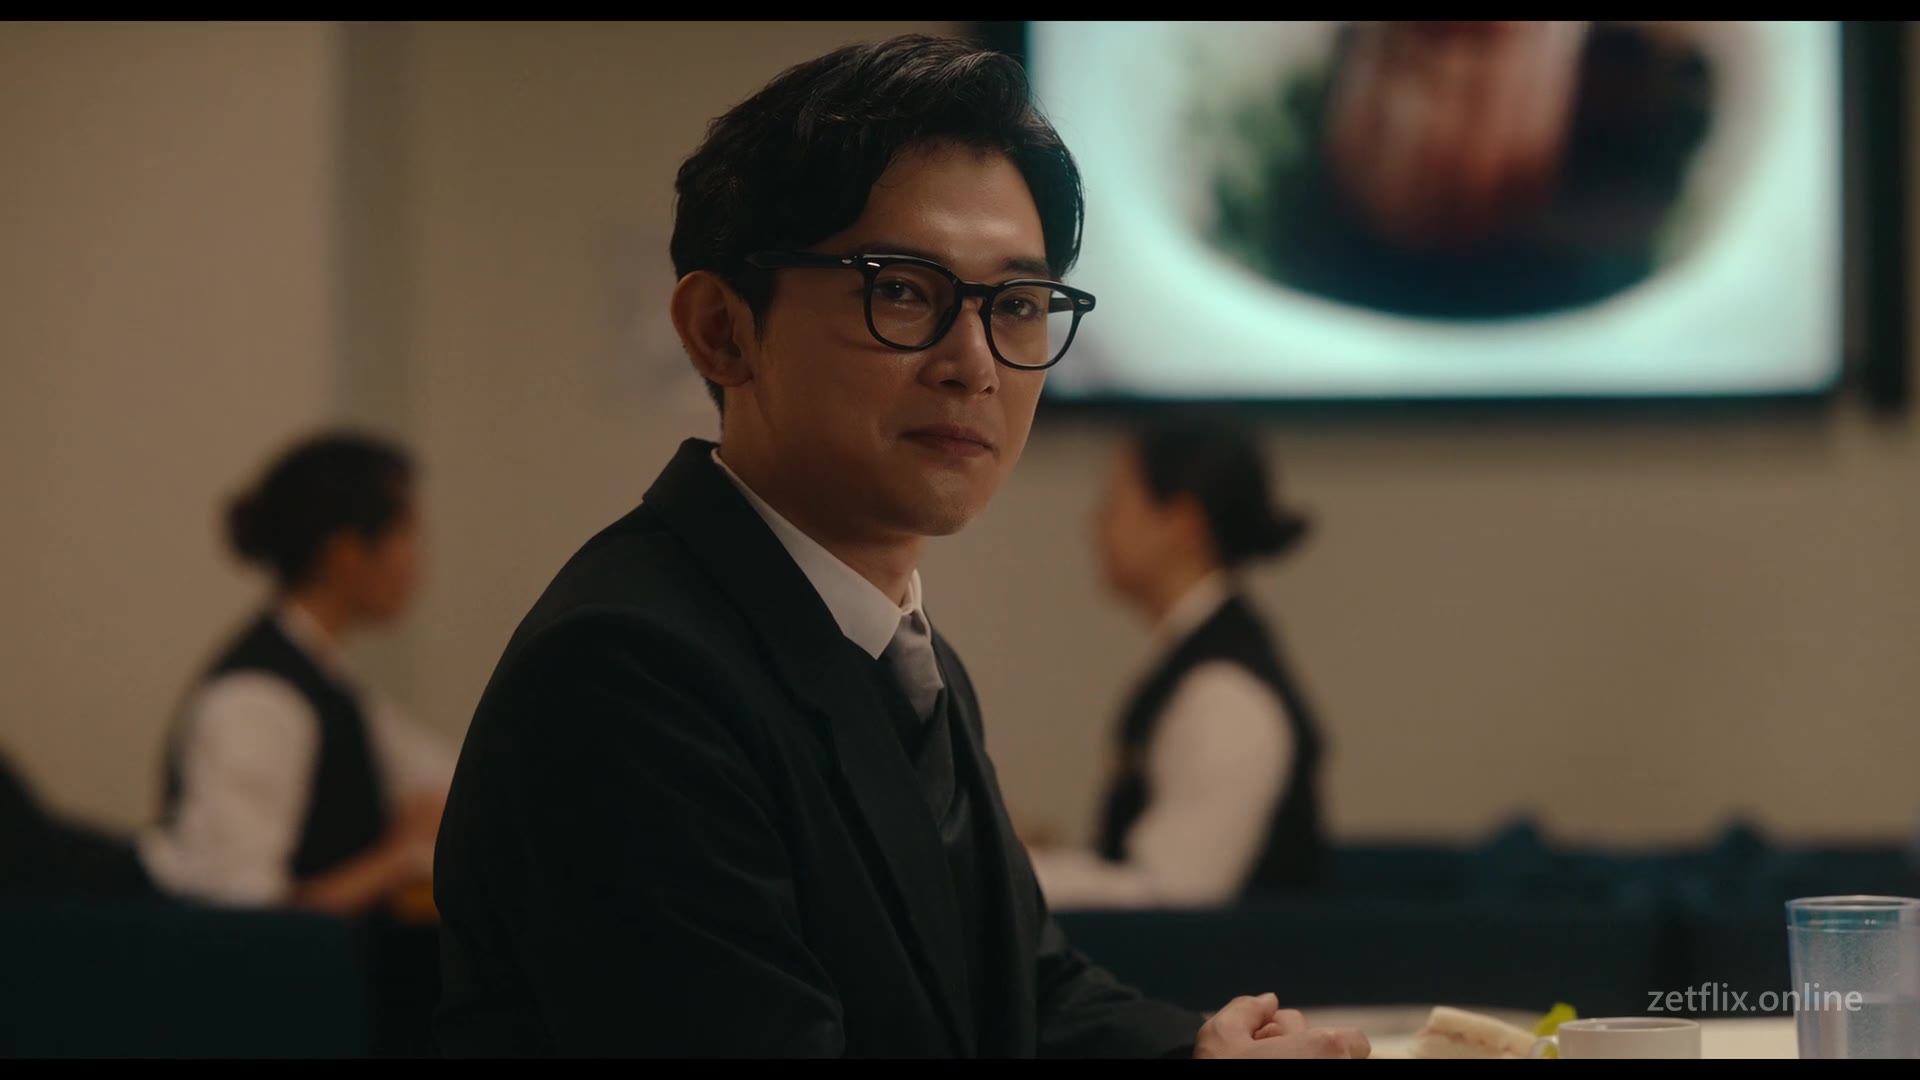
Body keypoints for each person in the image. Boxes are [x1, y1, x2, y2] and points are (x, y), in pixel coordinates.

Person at [431, 34, 1370, 1060]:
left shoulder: (904, 654)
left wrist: (1199, 1050)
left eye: (1017, 305)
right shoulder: (629, 670)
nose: (974, 363)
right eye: (904, 291)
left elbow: (1028, 992)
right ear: (721, 331)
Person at [137, 431, 455, 917]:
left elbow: (443, 779)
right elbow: (240, 915)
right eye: (406, 534)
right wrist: (399, 856)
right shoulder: (258, 696)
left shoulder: (326, 680)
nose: (416, 560)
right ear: (346, 554)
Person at [1025, 417, 1327, 910]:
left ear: (1181, 524)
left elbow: (1169, 897)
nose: (1094, 524)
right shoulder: (1202, 663)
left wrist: (1003, 873)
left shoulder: (1224, 692)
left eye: (1114, 504)